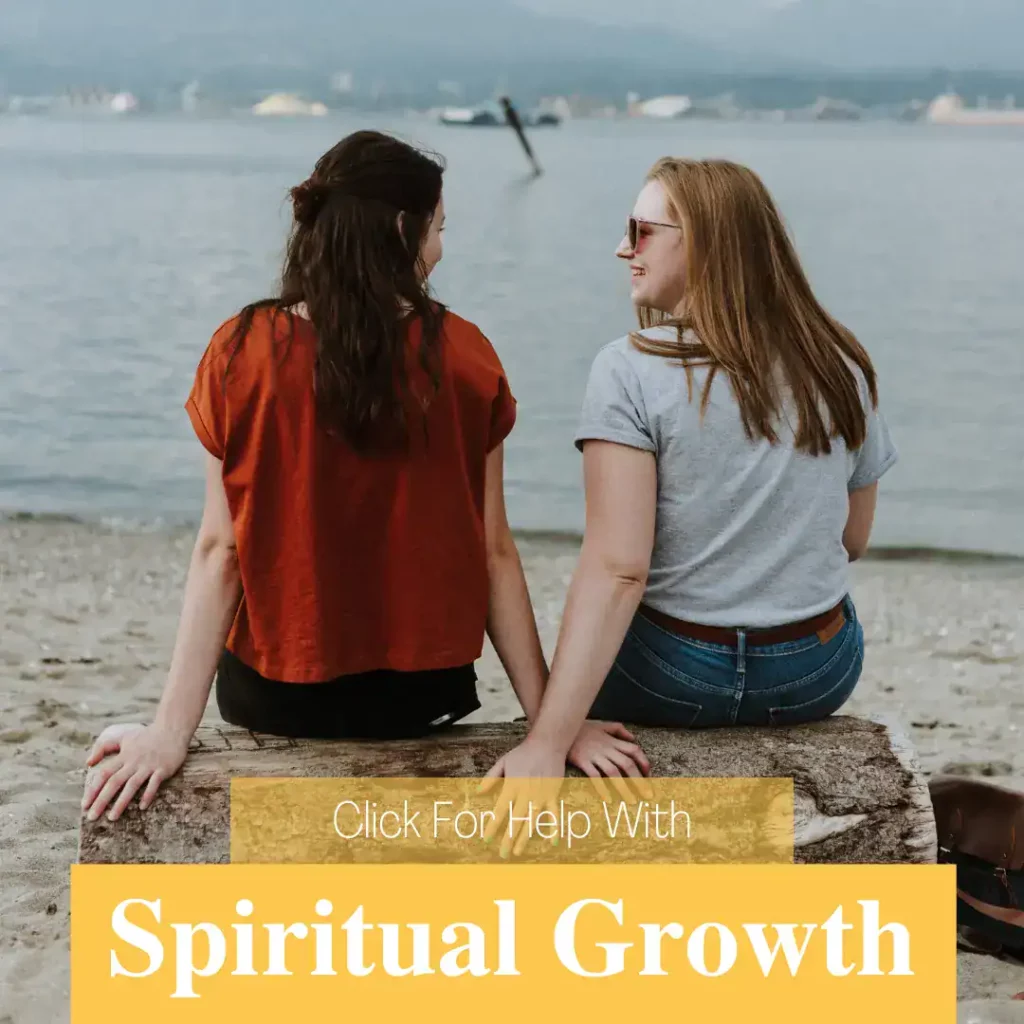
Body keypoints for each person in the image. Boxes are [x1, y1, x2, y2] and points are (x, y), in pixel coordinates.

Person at [81, 130, 645, 824]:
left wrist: (171, 730)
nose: (441, 250)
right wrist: (550, 726)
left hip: (273, 696)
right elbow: (494, 551)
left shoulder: (239, 354)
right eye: (439, 230)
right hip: (419, 697)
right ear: (404, 231)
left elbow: (220, 551)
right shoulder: (466, 358)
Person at [484, 157, 898, 806]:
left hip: (670, 678)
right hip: (814, 673)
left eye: (641, 231)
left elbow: (619, 569)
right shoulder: (838, 363)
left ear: (703, 241)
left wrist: (547, 739)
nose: (623, 248)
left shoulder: (628, 369)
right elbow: (853, 539)